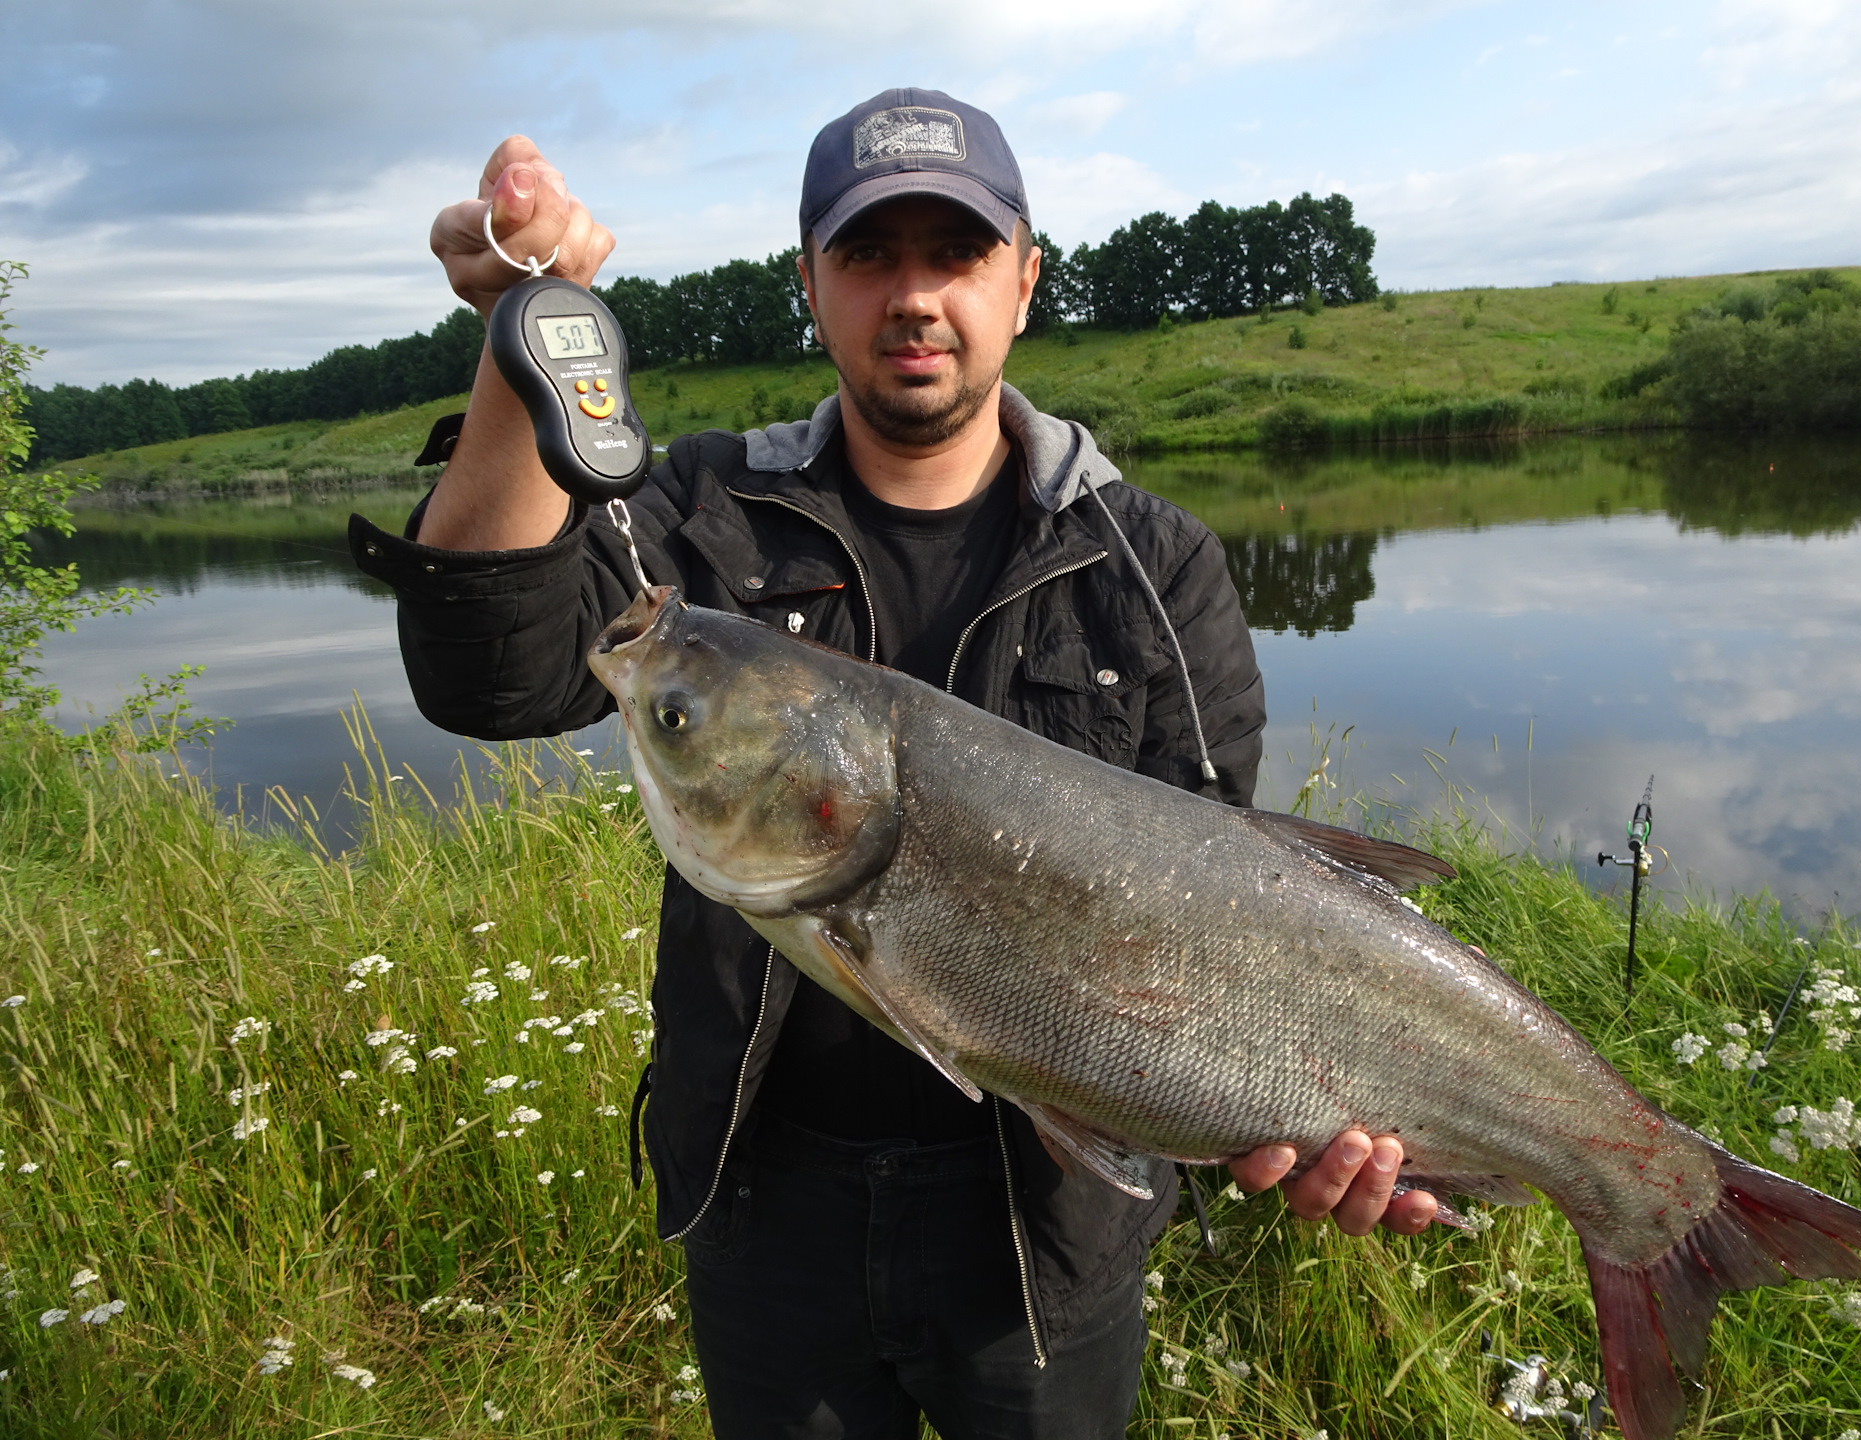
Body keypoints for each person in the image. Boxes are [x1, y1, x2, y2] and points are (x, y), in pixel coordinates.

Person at [353, 88, 1436, 1440]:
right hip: (768, 1209)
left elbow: (1220, 896)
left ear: (1024, 283)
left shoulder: (1156, 565)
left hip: (1047, 1238)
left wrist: (1300, 1129)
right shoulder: (703, 514)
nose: (914, 296)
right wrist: (526, 341)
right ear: (812, 287)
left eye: (956, 253)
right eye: (870, 255)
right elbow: (491, 673)